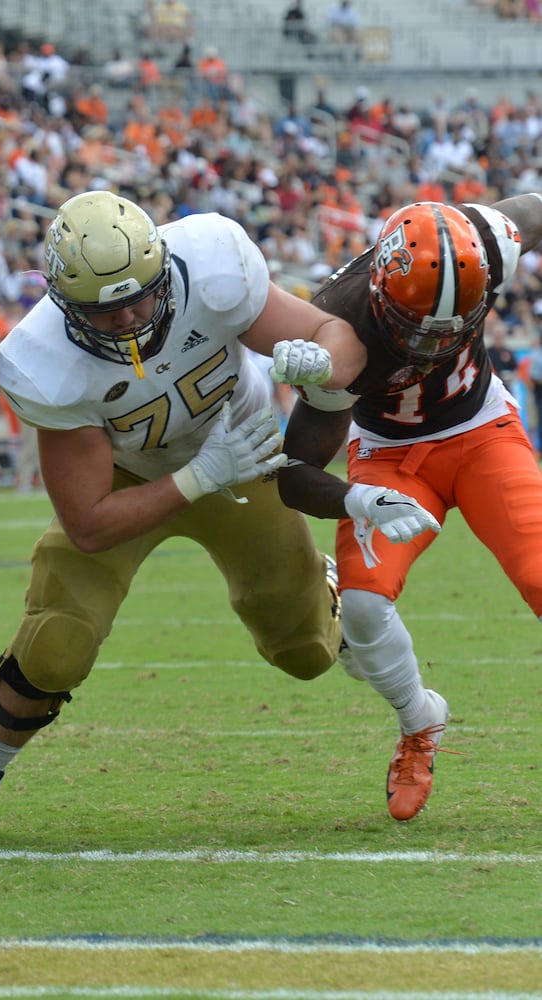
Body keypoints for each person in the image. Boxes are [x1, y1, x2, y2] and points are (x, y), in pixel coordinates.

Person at [0, 189, 351, 839]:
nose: (129, 316)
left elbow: (328, 333)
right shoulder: (45, 361)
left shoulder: (214, 265)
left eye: (139, 295)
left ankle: (326, 583)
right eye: (104, 309)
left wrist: (323, 361)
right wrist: (198, 475)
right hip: (128, 476)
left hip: (246, 453)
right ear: (62, 303)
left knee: (306, 651)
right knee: (59, 639)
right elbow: (88, 522)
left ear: (164, 267)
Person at [269, 197, 542, 821]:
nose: (433, 343)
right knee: (362, 609)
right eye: (417, 327)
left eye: (450, 328)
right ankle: (420, 721)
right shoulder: (338, 326)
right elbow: (295, 476)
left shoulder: (490, 240)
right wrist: (358, 497)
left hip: (484, 432)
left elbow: (534, 209)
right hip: (391, 457)